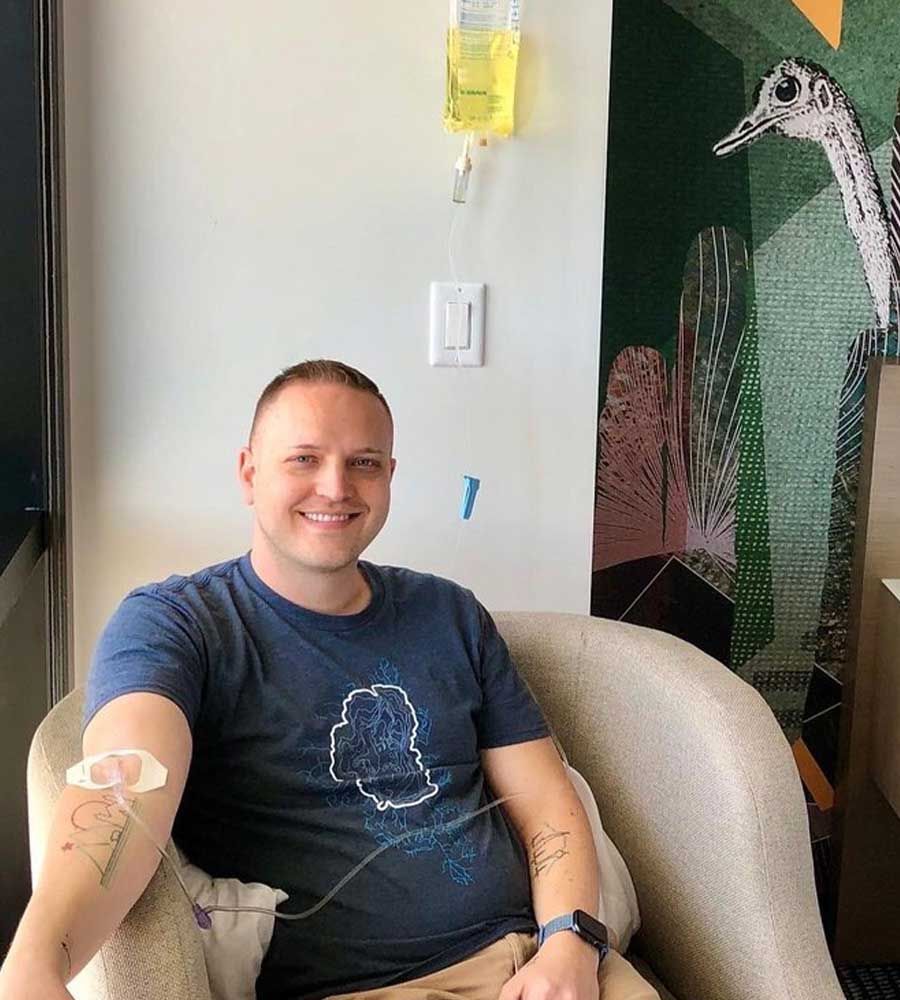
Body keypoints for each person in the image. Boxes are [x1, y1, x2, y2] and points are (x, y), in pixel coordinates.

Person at [0, 360, 660, 1000]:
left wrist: (571, 944)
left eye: (363, 463)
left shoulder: (449, 613)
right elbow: (125, 789)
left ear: (390, 477)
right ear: (249, 473)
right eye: (304, 459)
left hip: (538, 962)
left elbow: (547, 805)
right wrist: (38, 960)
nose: (337, 486)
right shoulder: (178, 625)